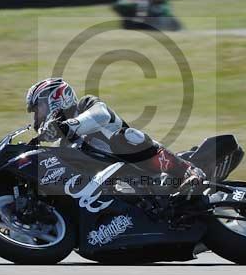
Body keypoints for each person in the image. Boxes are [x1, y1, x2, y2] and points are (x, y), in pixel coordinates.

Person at [25, 77, 205, 195]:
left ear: (57, 98)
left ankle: (188, 170)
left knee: (125, 137)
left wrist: (65, 126)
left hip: (140, 165)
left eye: (38, 109)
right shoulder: (64, 145)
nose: (36, 117)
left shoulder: (85, 104)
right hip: (118, 185)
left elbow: (101, 115)